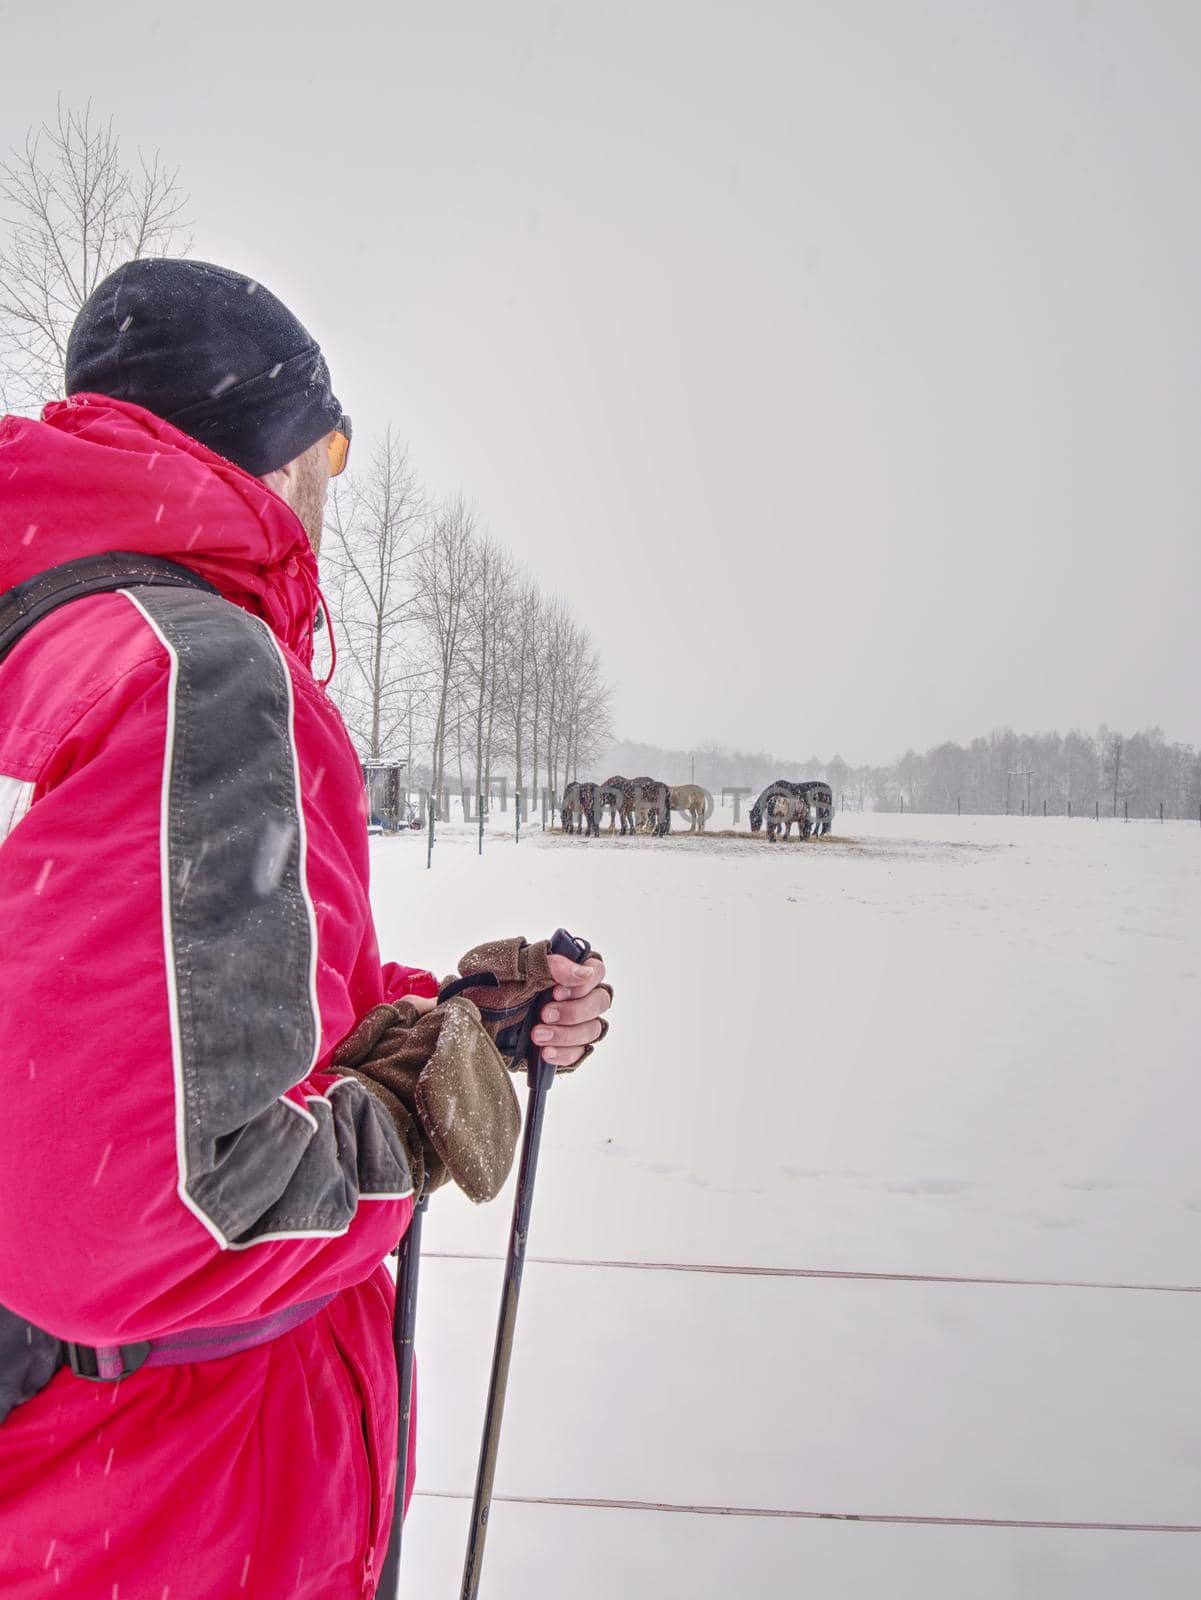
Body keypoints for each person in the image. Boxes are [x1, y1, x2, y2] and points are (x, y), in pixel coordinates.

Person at [0, 258, 611, 1599]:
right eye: (321, 443)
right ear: (253, 452)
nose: (328, 486)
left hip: (92, 1483)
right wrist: (403, 1120)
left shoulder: (66, 645)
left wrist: (448, 1013)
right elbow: (146, 1217)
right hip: (180, 1491)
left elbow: (172, 1012)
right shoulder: (197, 670)